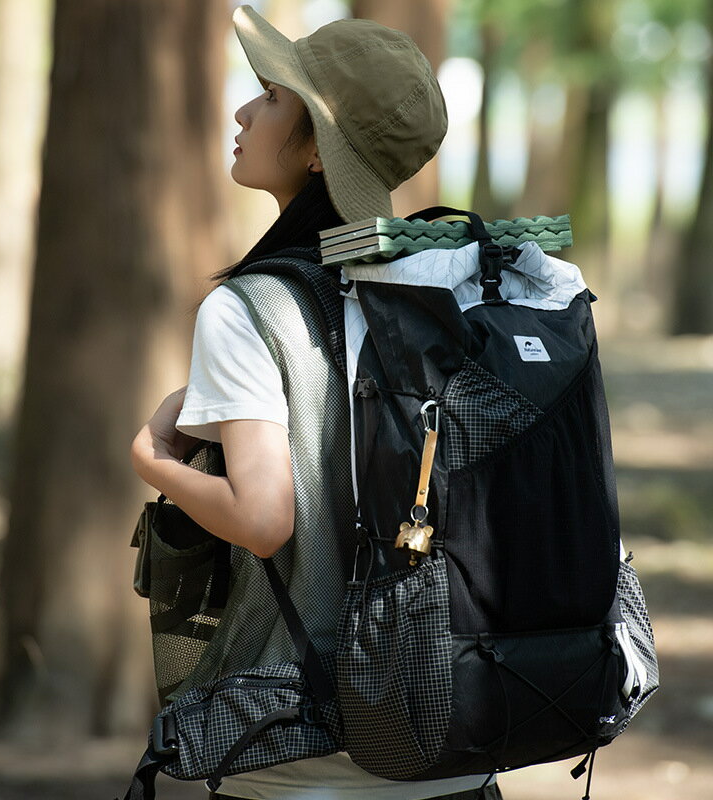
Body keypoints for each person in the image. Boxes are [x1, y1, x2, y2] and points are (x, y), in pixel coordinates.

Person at [130, 5, 502, 799]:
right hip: (455, 729)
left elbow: (263, 519)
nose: (242, 111)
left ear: (317, 151)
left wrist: (153, 461)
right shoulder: (444, 293)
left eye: (271, 97)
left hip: (306, 750)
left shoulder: (250, 309)